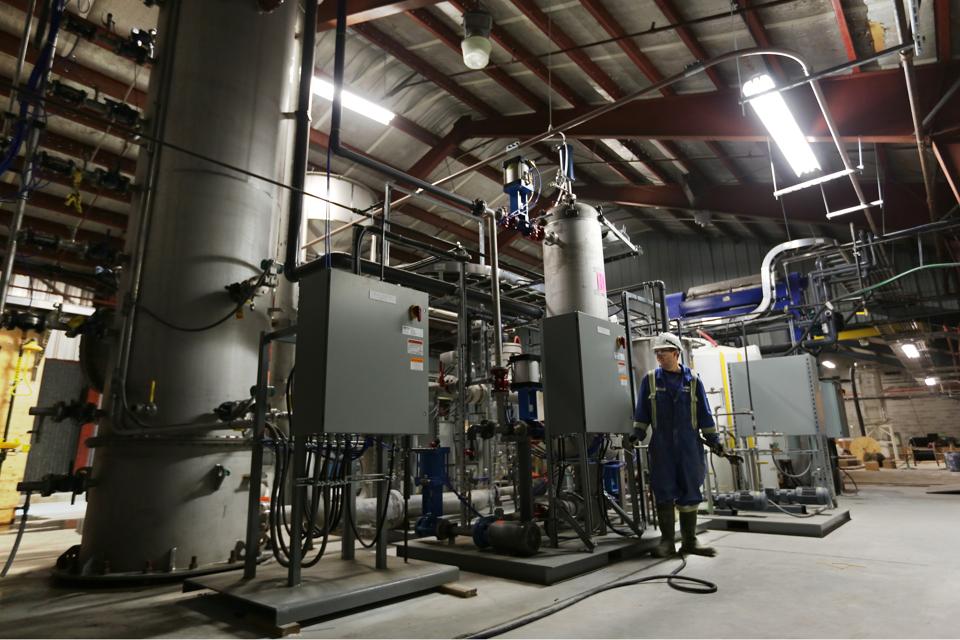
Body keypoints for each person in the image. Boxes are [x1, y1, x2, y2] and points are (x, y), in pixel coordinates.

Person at [631, 332, 724, 558]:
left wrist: (715, 440)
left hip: (689, 445)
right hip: (662, 446)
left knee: (690, 490)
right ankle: (667, 542)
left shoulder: (693, 381)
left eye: (663, 351)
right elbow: (642, 411)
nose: (659, 355)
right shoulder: (651, 380)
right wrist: (637, 433)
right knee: (663, 491)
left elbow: (704, 413)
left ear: (676, 352)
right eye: (656, 352)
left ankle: (690, 541)